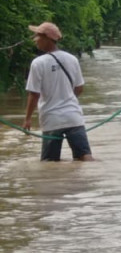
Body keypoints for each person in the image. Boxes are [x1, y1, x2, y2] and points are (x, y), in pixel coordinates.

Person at [22, 22, 94, 162]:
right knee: (85, 158)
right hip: (74, 117)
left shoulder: (38, 63)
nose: (35, 40)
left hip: (51, 120)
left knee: (49, 163)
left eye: (37, 36)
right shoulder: (72, 59)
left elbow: (34, 94)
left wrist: (27, 119)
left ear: (47, 38)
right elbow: (79, 88)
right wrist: (66, 99)